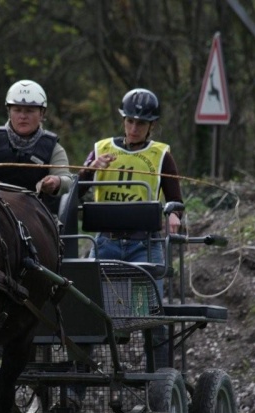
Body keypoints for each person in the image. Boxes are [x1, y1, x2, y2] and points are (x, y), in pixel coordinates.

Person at [77, 88, 183, 370]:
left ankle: (158, 379)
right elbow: (76, 191)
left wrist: (173, 214)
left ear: (151, 126)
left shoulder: (161, 156)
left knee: (150, 316)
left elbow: (176, 200)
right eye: (130, 121)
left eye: (141, 123)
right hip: (105, 243)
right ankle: (78, 385)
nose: (134, 128)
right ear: (123, 121)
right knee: (87, 310)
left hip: (144, 246)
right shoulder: (101, 149)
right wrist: (89, 169)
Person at [0, 80, 73, 214]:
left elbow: (67, 181)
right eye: (17, 110)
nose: (23, 116)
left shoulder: (54, 148)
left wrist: (57, 182)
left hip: (37, 216)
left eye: (29, 111)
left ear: (42, 114)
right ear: (9, 112)